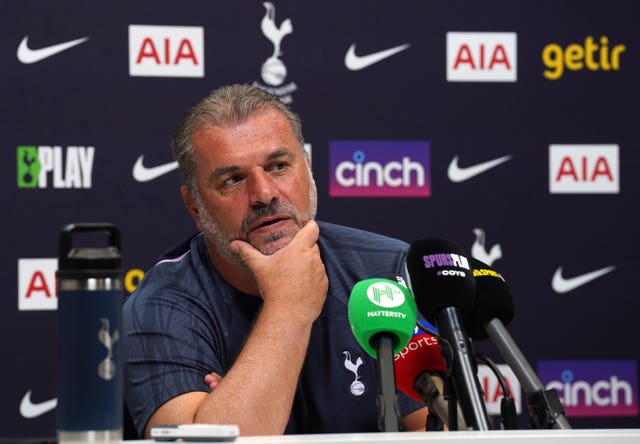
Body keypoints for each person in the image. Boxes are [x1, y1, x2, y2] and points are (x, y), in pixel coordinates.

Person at [122, 84, 429, 438]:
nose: (264, 194)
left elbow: (441, 431)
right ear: (195, 206)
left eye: (279, 166)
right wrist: (288, 304)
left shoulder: (389, 271)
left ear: (308, 169)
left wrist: (235, 406)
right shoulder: (159, 308)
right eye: (233, 179)